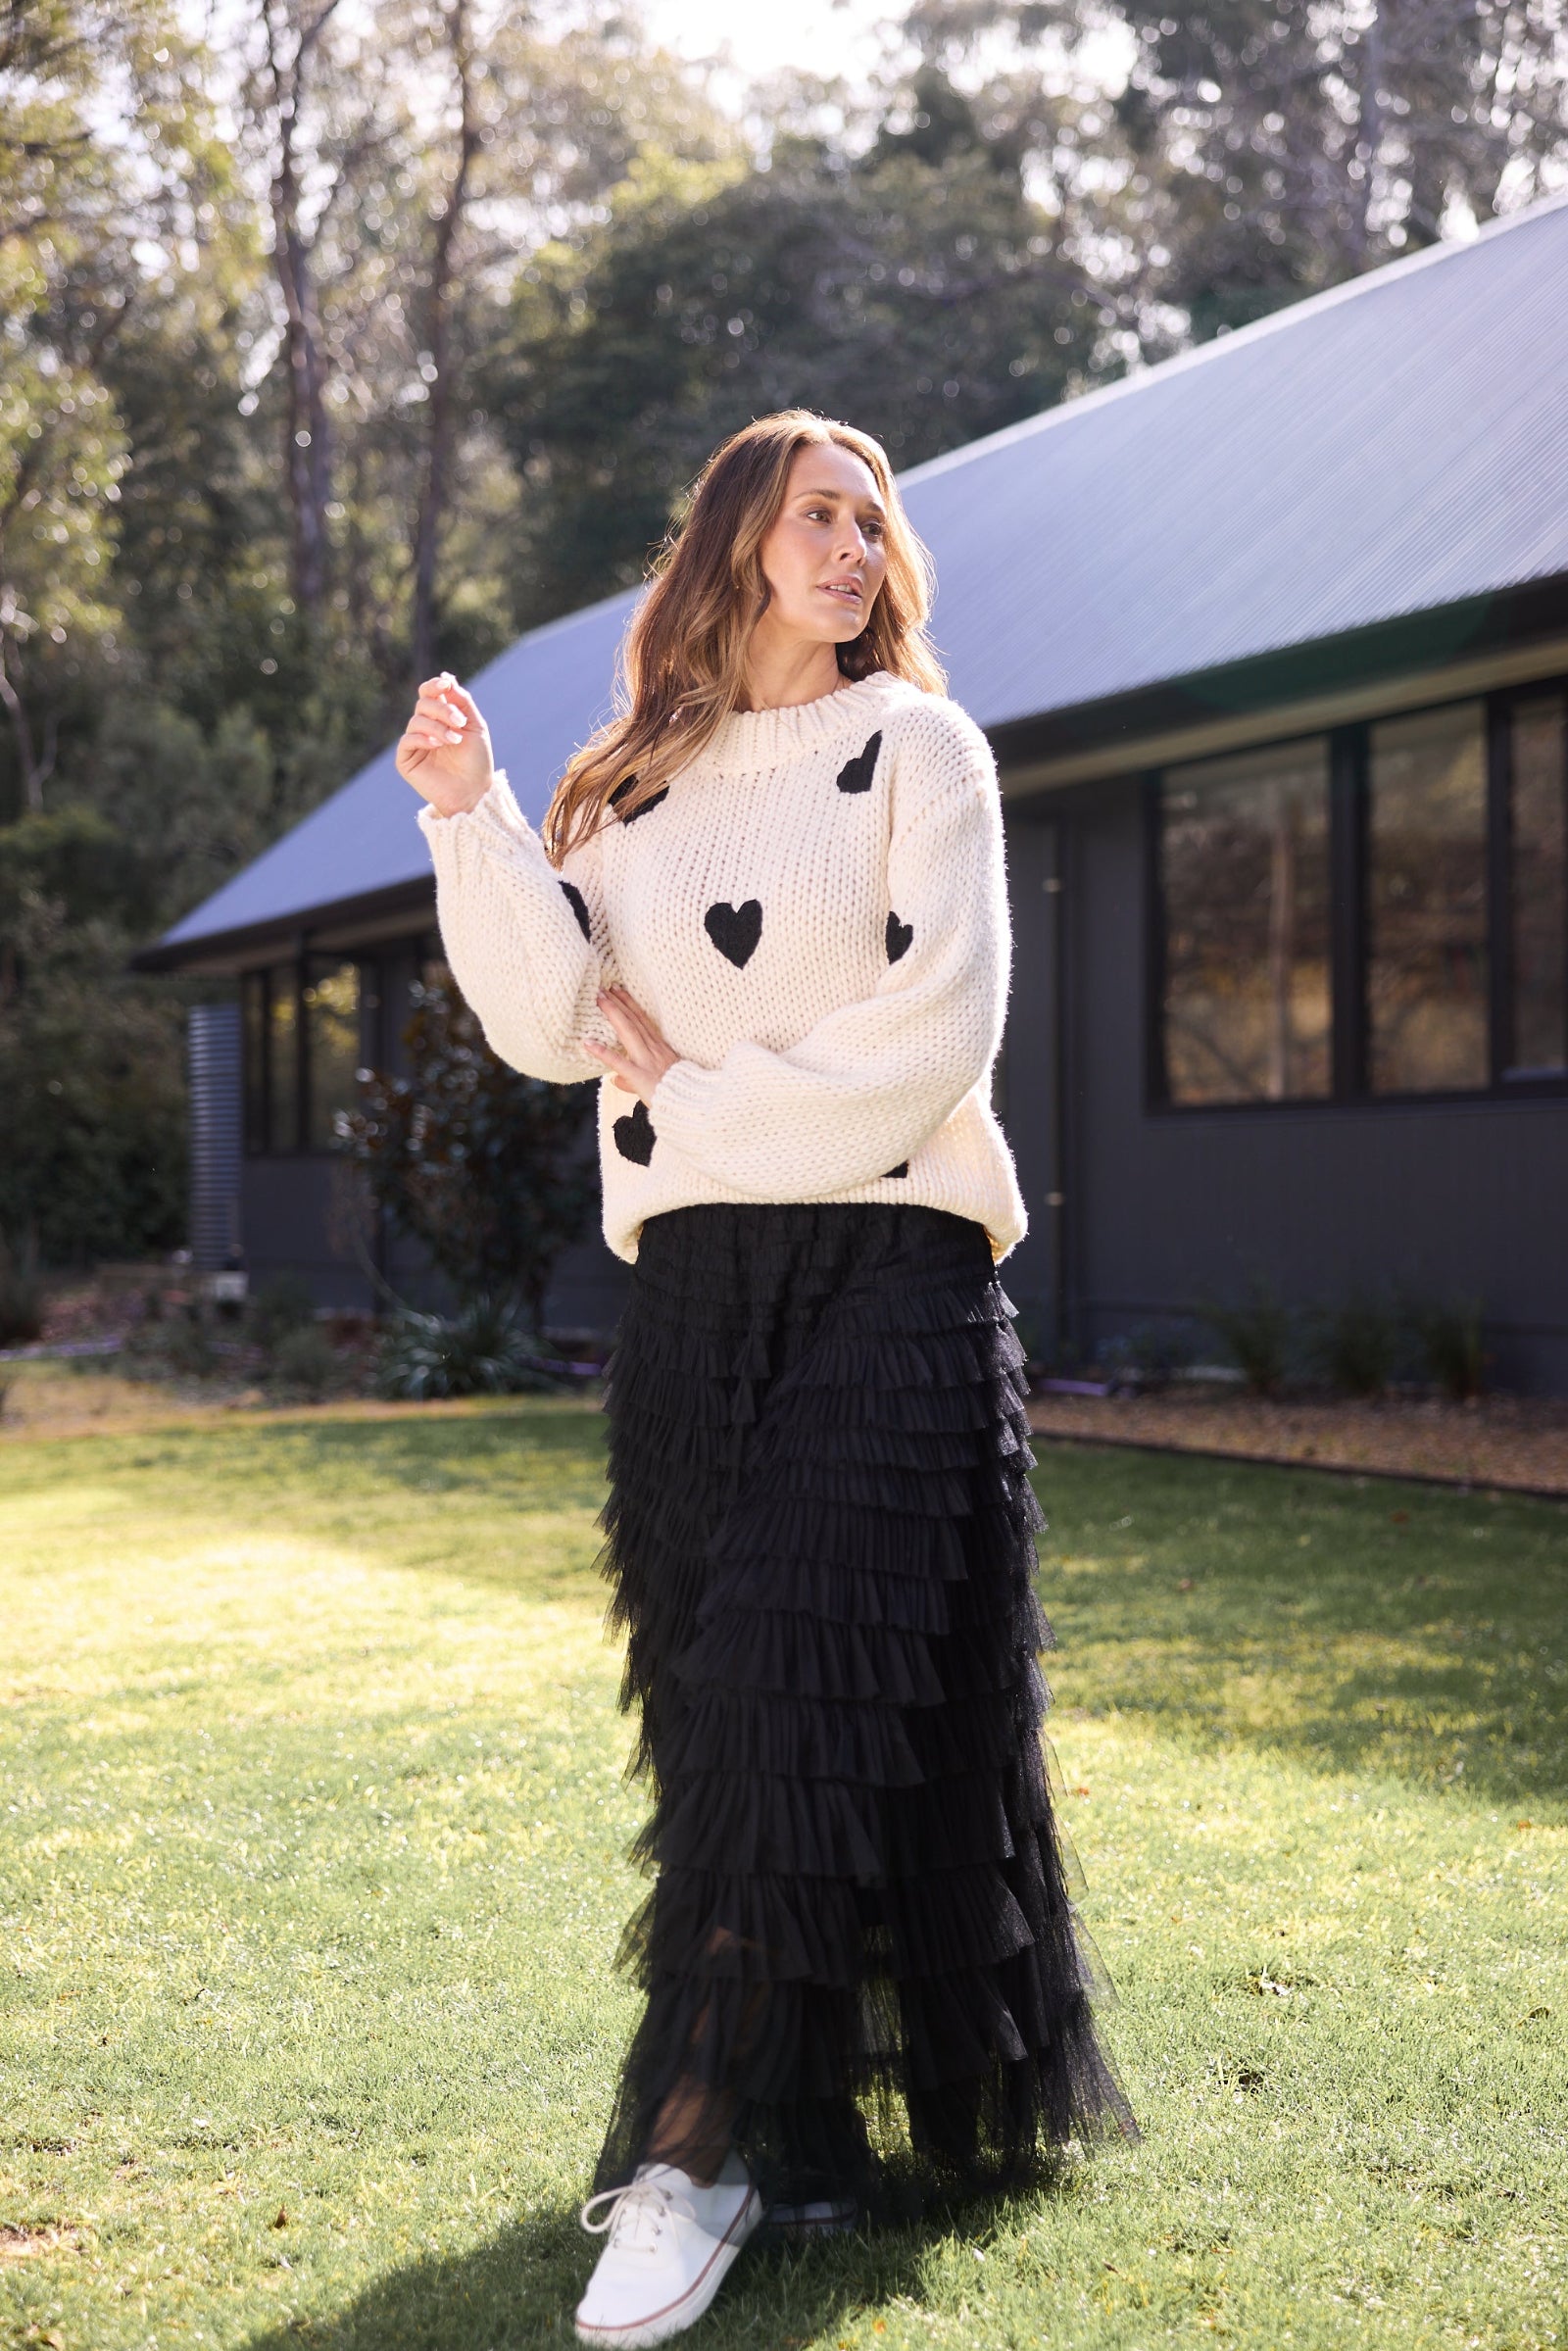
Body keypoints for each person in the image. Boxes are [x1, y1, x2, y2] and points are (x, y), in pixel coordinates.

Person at [396, 409, 1138, 2348]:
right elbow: (552, 1021)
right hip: (697, 1309)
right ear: (735, 538)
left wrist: (701, 1107)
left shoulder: (922, 751)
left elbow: (937, 1031)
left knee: (800, 1698)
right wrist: (468, 814)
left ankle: (696, 2151)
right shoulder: (623, 790)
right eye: (816, 514)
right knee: (722, 1723)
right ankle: (785, 2130)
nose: (851, 546)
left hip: (895, 1277)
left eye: (869, 522)